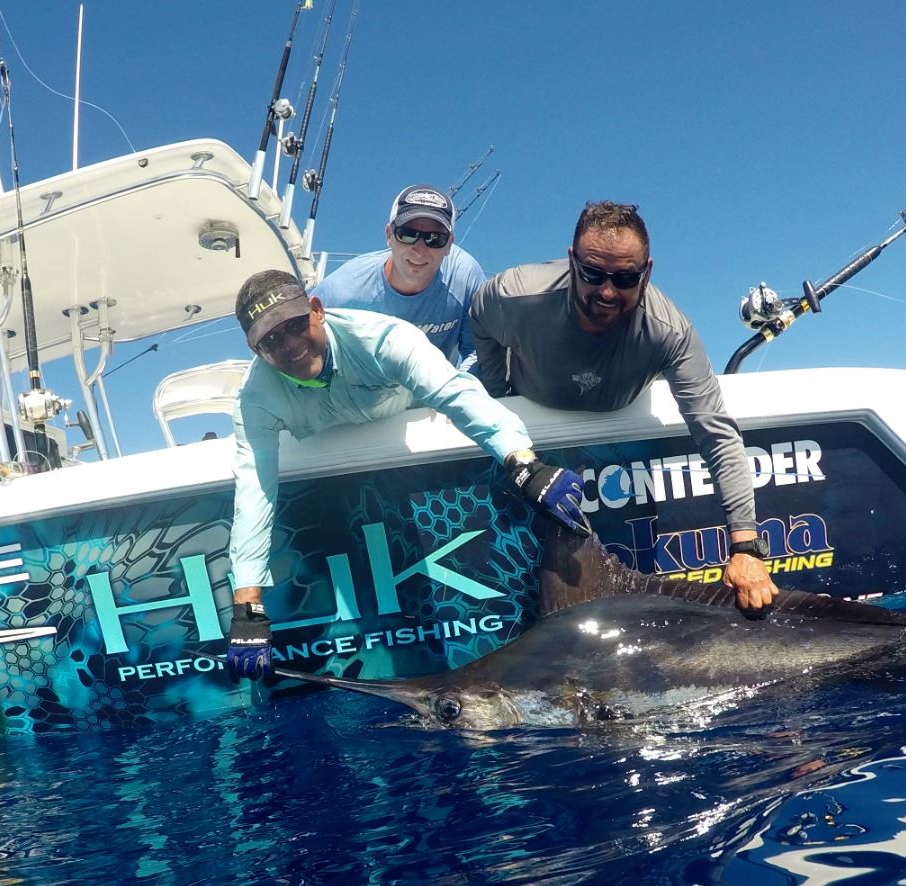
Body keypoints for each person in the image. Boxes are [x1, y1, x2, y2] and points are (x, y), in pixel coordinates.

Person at [224, 269, 588, 679]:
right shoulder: (255, 399)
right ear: (256, 351)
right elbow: (255, 492)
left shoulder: (382, 339)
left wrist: (523, 464)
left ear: (317, 310)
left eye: (295, 325)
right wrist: (247, 607)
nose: (289, 345)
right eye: (271, 340)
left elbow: (455, 393)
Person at [470, 201, 779, 614]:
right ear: (572, 261)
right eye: (592, 273)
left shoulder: (670, 332)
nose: (607, 292)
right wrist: (500, 398)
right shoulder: (515, 295)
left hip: (621, 451)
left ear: (646, 273)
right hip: (534, 448)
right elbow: (479, 318)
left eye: (625, 278)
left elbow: (717, 435)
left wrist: (746, 547)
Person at [313, 184, 485, 368]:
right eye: (408, 234)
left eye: (434, 238)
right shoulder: (343, 289)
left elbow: (479, 352)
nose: (420, 250)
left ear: (449, 244)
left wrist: (457, 385)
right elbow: (300, 330)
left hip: (438, 384)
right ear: (389, 235)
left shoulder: (464, 278)